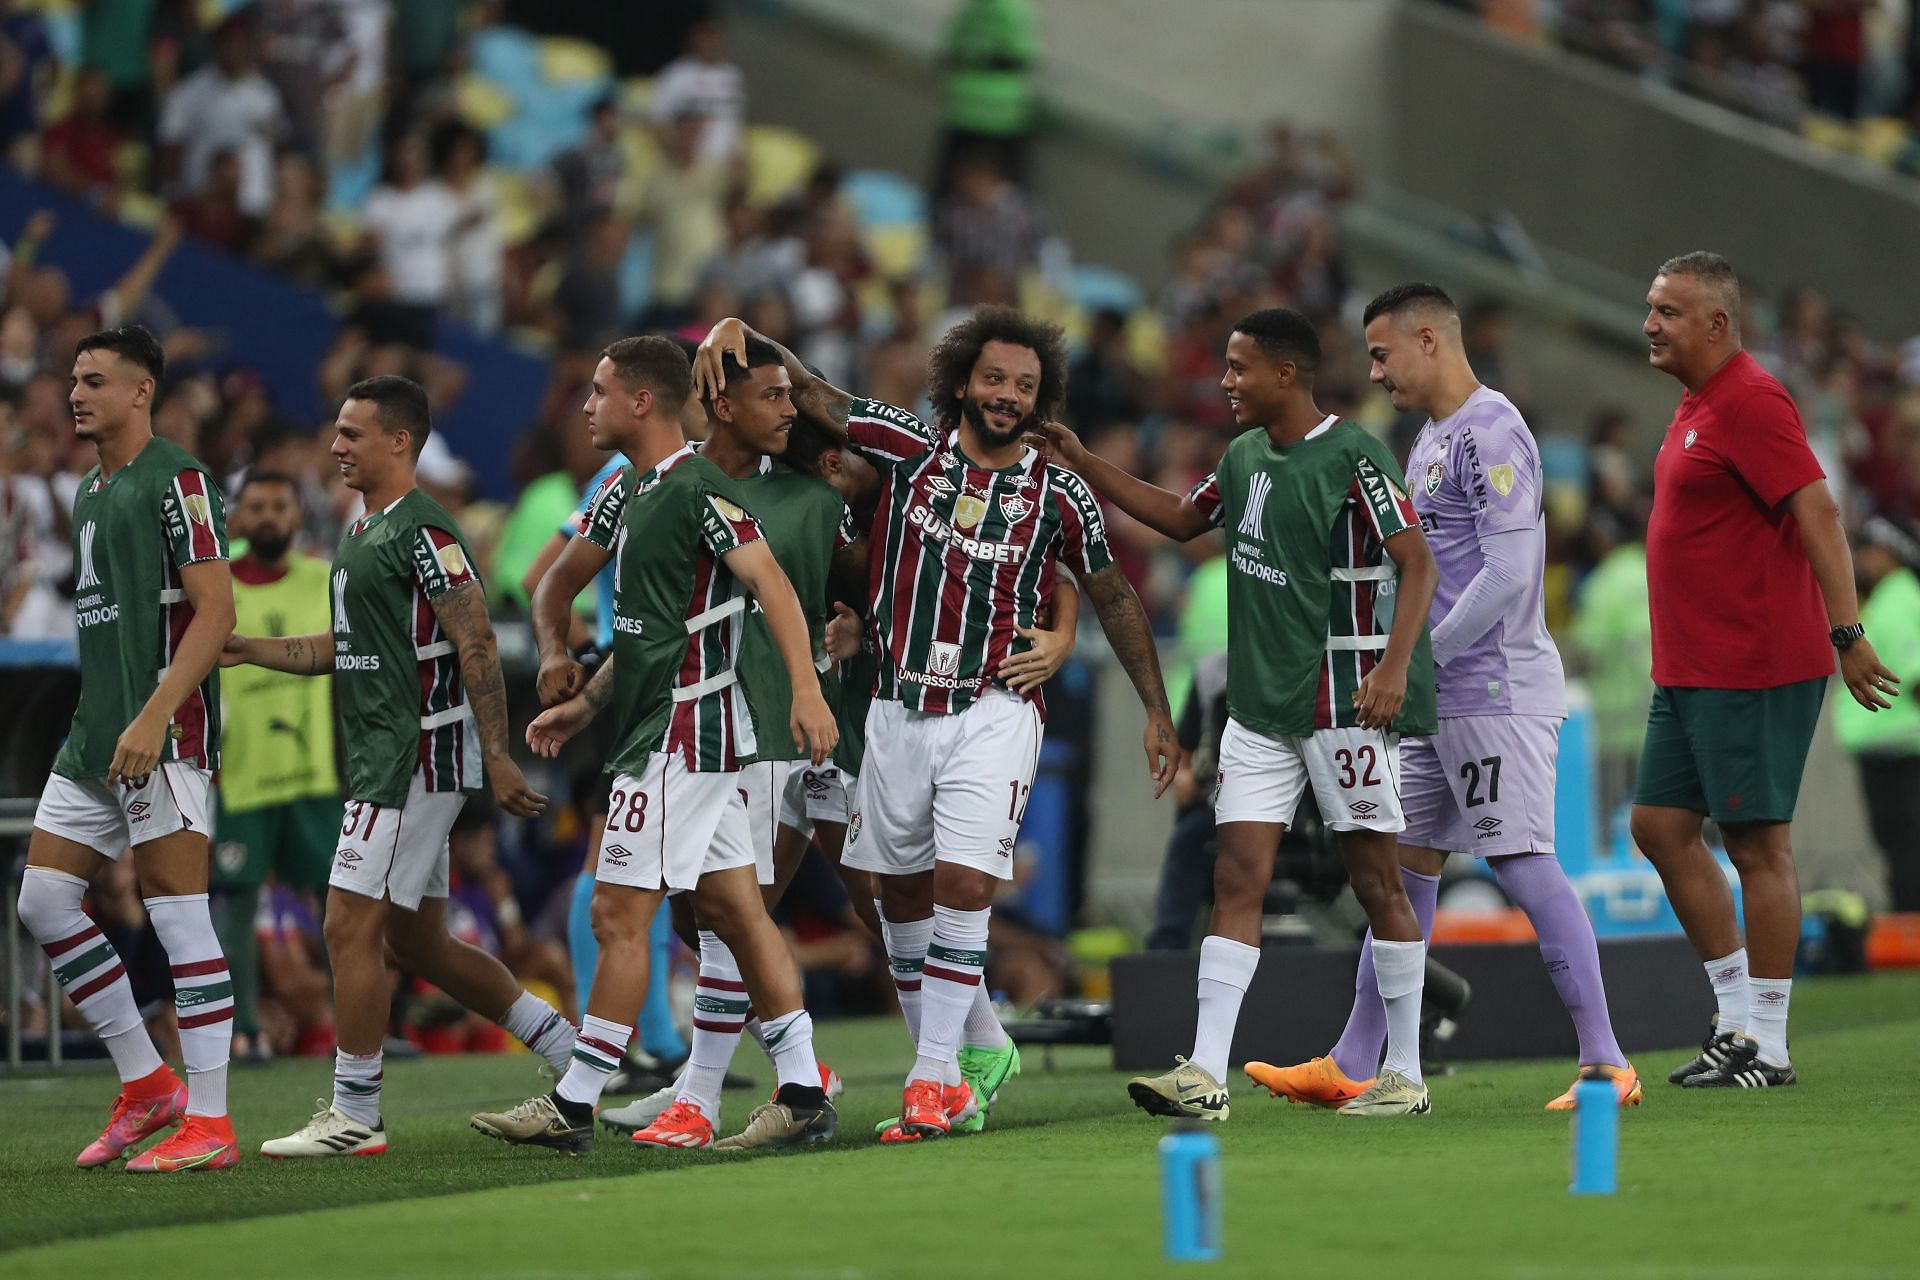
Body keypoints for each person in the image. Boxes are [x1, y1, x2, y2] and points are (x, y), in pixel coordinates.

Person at [693, 305, 1179, 1142]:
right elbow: (808, 390)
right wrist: (738, 329)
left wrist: (1157, 710)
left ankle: (929, 1082)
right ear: (961, 381)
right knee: (896, 901)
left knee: (965, 886)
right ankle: (958, 1073)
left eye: (1025, 386)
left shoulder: (1061, 492)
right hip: (895, 710)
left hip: (995, 708)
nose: (1006, 396)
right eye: (993, 379)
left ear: (1041, 399)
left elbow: (1112, 594)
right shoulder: (907, 450)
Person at [1037, 307, 1441, 1119]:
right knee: (1236, 876)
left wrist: (1394, 667)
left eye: (1239, 367)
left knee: (1375, 881)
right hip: (1259, 708)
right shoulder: (1244, 454)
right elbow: (1184, 520)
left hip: (1344, 703)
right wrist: (1084, 468)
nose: (1225, 381)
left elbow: (1418, 562)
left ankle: (1406, 1075)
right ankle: (1206, 1074)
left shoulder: (1353, 455)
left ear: (1286, 375)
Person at [1244, 283, 1637, 1113]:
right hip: (1434, 695)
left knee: (1524, 863)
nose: (1376, 372)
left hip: (1493, 688)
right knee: (1401, 868)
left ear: (1429, 339)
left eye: (1383, 354)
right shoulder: (1426, 442)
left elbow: (1508, 572)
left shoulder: (1494, 430)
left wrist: (1415, 658)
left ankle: (1605, 1058)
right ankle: (1354, 1058)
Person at [471, 336, 840, 1154]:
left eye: (599, 391)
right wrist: (567, 663)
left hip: (686, 731)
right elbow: (555, 586)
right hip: (652, 723)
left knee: (616, 912)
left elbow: (771, 585)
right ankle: (806, 1089)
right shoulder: (622, 489)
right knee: (735, 914)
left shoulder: (700, 489)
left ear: (642, 402)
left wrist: (808, 691)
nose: (587, 406)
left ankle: (574, 1103)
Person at [224, 376, 571, 1157]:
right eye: (336, 431)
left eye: (353, 433)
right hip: (388, 758)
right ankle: (577, 1060)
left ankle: (354, 1114)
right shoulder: (361, 530)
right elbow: (340, 650)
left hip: (412, 759)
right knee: (421, 945)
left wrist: (497, 756)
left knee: (347, 923)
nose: (336, 445)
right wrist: (251, 650)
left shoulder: (425, 533)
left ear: (399, 442)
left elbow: (476, 641)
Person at [1630, 252, 1897, 1089]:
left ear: (1717, 323)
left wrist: (1845, 630)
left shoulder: (1750, 398)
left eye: (1669, 311)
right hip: (1689, 663)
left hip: (1749, 659)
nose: (1650, 323)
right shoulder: (1696, 402)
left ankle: (1768, 1043)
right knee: (1659, 828)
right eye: (1650, 307)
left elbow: (1817, 508)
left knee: (1756, 844)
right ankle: (1735, 1018)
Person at [14, 325, 239, 1171]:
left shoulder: (178, 478)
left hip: (164, 732)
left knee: (180, 916)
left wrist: (155, 715)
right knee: (42, 902)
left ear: (142, 390)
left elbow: (215, 613)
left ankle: (211, 1124)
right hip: (94, 734)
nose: (77, 392)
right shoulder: (88, 491)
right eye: (74, 378)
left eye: (96, 380)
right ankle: (149, 1086)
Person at [212, 469, 340, 1063]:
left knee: (341, 900)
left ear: (296, 514)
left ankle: (354, 1031)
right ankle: (244, 1030)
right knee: (235, 900)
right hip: (238, 772)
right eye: (257, 507)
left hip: (314, 770)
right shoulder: (214, 584)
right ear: (237, 517)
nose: (268, 517)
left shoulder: (323, 578)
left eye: (279, 506)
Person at [1832, 516, 1920, 913]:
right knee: (1900, 840)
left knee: (1904, 840)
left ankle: (1910, 922)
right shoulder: (1893, 596)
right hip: (1891, 743)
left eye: (1870, 551)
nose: (1863, 560)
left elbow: (1914, 673)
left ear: (1891, 554)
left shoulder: (1898, 598)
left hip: (1898, 744)